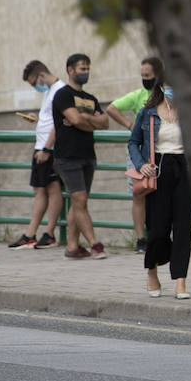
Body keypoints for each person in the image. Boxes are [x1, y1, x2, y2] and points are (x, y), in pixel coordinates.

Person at [128, 67, 191, 299]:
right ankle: (152, 272)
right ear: (160, 87)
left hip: (185, 169)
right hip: (158, 169)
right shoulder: (147, 113)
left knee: (183, 226)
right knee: (157, 228)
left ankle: (180, 281)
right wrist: (141, 164)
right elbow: (133, 142)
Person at [51, 53, 109, 259]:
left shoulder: (91, 98)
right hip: (67, 155)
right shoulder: (62, 95)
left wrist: (82, 118)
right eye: (82, 69)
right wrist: (87, 119)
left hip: (87, 155)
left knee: (79, 202)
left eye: (87, 69)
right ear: (70, 70)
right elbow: (75, 120)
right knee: (79, 198)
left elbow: (105, 123)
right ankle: (95, 244)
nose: (85, 72)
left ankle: (73, 247)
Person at [108, 57, 163, 252]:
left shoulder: (167, 95)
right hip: (138, 154)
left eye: (148, 75)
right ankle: (141, 239)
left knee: (159, 196)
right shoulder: (138, 95)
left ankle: (158, 234)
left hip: (160, 153)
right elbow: (112, 108)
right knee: (139, 194)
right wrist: (130, 125)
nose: (145, 79)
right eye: (142, 75)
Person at [8, 61, 64, 249]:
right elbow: (50, 119)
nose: (34, 87)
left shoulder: (58, 90)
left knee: (51, 189)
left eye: (33, 83)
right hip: (42, 146)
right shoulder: (50, 90)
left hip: (48, 149)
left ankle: (44, 233)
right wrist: (37, 119)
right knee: (40, 190)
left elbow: (58, 123)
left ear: (41, 75)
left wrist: (47, 149)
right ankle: (33, 234)